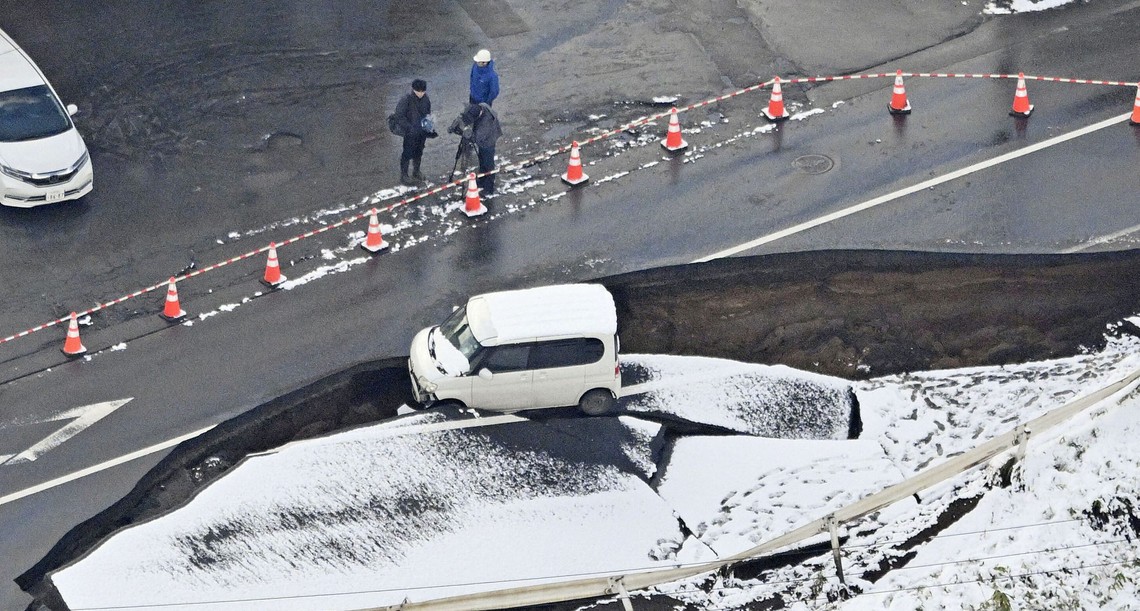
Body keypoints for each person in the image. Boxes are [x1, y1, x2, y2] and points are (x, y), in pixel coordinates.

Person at [449, 102, 502, 195]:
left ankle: (489, 187)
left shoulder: (486, 123)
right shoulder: (475, 108)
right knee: (482, 159)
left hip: (488, 141)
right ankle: (482, 179)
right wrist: (458, 122)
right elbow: (463, 114)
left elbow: (475, 138)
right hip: (483, 137)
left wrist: (464, 132)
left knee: (488, 162)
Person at [393, 79, 437, 185]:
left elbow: (427, 114)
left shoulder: (426, 99)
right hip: (410, 133)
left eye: (423, 91)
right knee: (407, 153)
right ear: (414, 89)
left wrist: (429, 127)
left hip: (421, 132)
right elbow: (399, 116)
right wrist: (409, 127)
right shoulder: (406, 100)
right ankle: (404, 175)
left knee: (419, 151)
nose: (421, 93)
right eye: (419, 91)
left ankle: (416, 171)